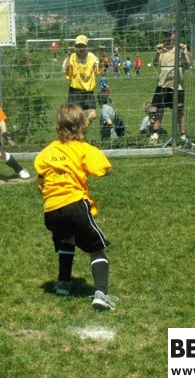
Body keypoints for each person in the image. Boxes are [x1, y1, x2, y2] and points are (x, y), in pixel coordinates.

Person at [34, 104, 115, 310]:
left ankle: (63, 284)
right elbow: (105, 169)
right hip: (74, 205)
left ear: (57, 126)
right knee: (96, 249)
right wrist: (106, 171)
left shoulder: (47, 152)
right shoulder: (83, 149)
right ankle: (101, 294)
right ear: (81, 127)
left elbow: (40, 183)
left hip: (51, 210)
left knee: (66, 239)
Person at [149, 27, 191, 144]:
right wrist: (157, 53)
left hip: (177, 85)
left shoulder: (181, 49)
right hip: (162, 84)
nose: (167, 37)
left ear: (175, 35)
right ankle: (155, 134)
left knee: (179, 110)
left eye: (170, 34)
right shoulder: (162, 50)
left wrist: (184, 53)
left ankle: (183, 135)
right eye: (165, 35)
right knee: (159, 109)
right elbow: (155, 64)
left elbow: (187, 65)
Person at [63, 35, 100, 124]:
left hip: (88, 92)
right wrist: (69, 55)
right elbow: (66, 70)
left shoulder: (91, 57)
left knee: (93, 115)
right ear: (75, 47)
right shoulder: (72, 57)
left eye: (82, 46)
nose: (80, 48)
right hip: (75, 92)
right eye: (78, 46)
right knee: (73, 118)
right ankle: (77, 130)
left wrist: (101, 53)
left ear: (86, 47)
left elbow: (100, 68)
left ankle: (83, 127)